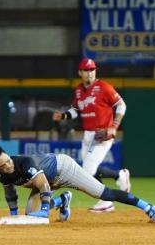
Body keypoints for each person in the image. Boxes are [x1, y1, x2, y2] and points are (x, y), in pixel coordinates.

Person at [0, 146, 155, 223]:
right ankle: (63, 200)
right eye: (3, 165)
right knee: (31, 214)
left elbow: (44, 186)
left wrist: (46, 210)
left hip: (63, 168)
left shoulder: (24, 163)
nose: (9, 165)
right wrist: (14, 214)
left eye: (8, 160)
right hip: (47, 179)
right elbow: (10, 194)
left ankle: (149, 207)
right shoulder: (1, 175)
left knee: (103, 194)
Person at [52, 57, 130, 213]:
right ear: (80, 72)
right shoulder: (79, 91)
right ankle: (118, 175)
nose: (89, 73)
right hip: (88, 135)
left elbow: (121, 105)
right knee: (90, 169)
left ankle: (105, 201)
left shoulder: (104, 87)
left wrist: (114, 126)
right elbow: (76, 111)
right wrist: (64, 116)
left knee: (87, 171)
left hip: (103, 133)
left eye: (92, 70)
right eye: (86, 70)